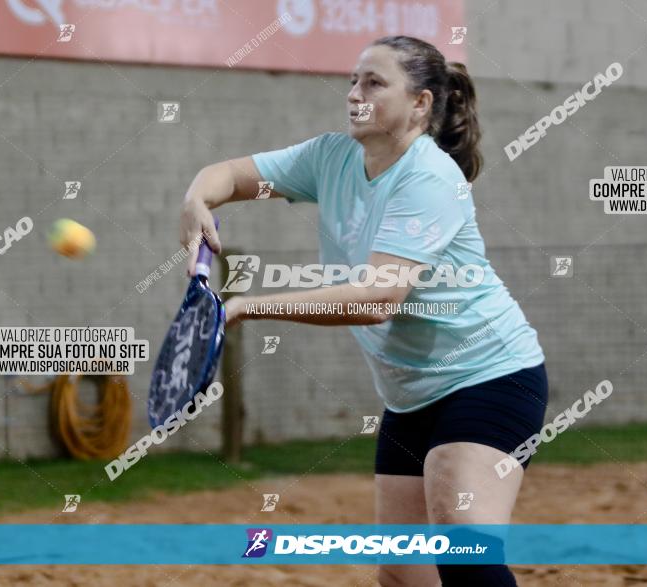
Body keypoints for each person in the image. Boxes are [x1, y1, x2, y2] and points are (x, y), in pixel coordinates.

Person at [179, 35, 548, 587]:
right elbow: (229, 176)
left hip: (489, 376)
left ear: (420, 103)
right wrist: (196, 199)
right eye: (353, 80)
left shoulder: (429, 176)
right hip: (410, 395)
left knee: (462, 545)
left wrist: (248, 307)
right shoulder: (331, 157)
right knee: (401, 573)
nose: (355, 93)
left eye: (374, 83)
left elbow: (377, 297)